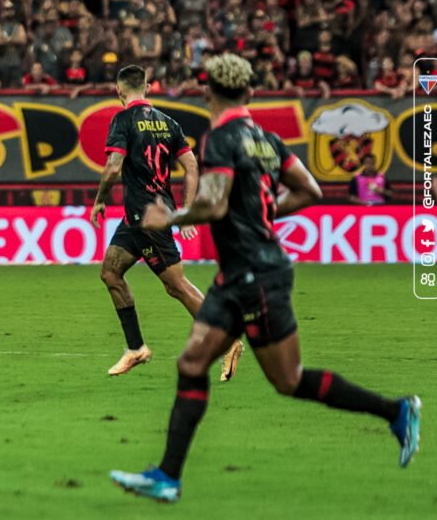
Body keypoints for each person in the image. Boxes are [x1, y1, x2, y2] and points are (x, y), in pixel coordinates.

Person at [110, 54, 420, 503]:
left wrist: (170, 216)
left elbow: (214, 205)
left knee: (288, 380)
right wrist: (263, 212)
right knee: (192, 364)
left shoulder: (221, 138)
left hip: (256, 277)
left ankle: (397, 410)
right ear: (251, 94)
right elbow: (309, 190)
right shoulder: (269, 140)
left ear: (209, 95)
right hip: (243, 273)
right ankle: (167, 477)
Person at [91, 64, 244, 378]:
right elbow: (191, 165)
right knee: (110, 273)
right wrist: (186, 210)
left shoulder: (122, 119)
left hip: (148, 219)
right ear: (147, 87)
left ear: (119, 91)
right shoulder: (168, 123)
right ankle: (136, 349)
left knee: (177, 287)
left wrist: (99, 200)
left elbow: (112, 168)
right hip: (139, 218)